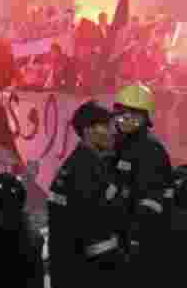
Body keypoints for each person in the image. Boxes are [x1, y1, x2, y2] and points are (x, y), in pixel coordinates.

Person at [48, 101, 126, 288]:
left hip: (73, 268)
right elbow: (94, 226)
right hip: (86, 272)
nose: (113, 132)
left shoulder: (85, 165)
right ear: (88, 131)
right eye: (107, 126)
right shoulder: (84, 171)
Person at [111, 83, 172, 283]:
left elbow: (152, 200)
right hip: (118, 235)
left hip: (140, 241)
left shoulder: (150, 150)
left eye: (133, 116)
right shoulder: (118, 144)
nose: (125, 120)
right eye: (121, 115)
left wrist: (136, 239)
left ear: (146, 118)